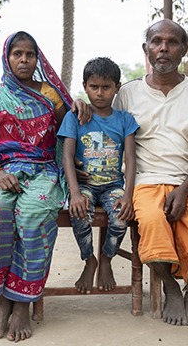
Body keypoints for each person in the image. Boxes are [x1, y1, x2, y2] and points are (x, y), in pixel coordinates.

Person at [75, 19, 188, 329]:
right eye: (156, 41)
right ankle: (169, 287)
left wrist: (184, 190)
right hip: (143, 182)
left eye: (172, 42)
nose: (163, 47)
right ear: (146, 49)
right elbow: (97, 117)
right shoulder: (127, 93)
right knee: (151, 221)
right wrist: (79, 106)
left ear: (184, 50)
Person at [0, 31, 89, 342]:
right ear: (7, 57)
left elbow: (72, 129)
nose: (24, 60)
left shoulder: (50, 95)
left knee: (33, 212)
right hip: (1, 173)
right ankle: (3, 301)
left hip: (44, 170)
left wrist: (78, 104)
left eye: (30, 54)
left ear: (37, 58)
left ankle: (22, 302)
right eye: (17, 54)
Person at [58, 57, 139, 294]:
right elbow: (67, 157)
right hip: (86, 186)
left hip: (113, 184)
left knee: (120, 215)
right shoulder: (76, 117)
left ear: (117, 88)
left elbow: (131, 159)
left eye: (106, 87)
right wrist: (74, 194)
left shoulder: (125, 120)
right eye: (94, 87)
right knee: (79, 211)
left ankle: (106, 259)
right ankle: (89, 260)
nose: (100, 93)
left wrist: (128, 195)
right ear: (85, 86)